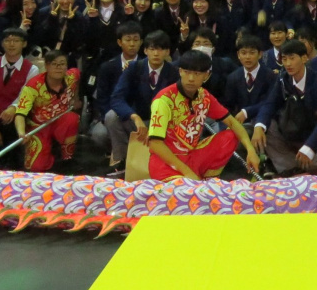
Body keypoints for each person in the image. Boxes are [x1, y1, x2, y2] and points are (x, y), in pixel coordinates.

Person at [145, 49, 260, 181]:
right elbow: (154, 143)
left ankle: (208, 178)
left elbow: (233, 123)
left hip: (192, 156)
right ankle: (196, 180)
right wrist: (187, 172)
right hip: (166, 163)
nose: (191, 78)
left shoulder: (204, 96)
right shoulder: (164, 99)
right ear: (180, 71)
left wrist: (251, 150)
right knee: (187, 193)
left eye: (197, 73)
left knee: (231, 135)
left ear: (207, 75)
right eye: (187, 72)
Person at [252, 39, 317, 176]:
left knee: (313, 159)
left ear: (304, 58)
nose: (288, 64)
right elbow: (269, 104)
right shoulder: (283, 79)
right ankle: (295, 170)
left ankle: (292, 168)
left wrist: (310, 147)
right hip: (292, 131)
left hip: (316, 133)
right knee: (264, 127)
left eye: (292, 58)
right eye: (284, 59)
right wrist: (259, 127)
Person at [105, 30, 178, 173]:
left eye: (160, 49)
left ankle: (164, 162)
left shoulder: (174, 72)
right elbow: (116, 98)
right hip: (138, 122)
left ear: (167, 52)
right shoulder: (134, 67)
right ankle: (124, 160)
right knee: (111, 116)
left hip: (163, 124)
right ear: (145, 50)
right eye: (152, 49)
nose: (156, 53)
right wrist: (134, 116)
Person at [0, 27, 40, 168]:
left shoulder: (32, 69)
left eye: (16, 41)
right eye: (8, 40)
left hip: (16, 121)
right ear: (2, 44)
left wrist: (14, 108)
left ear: (24, 44)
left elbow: (25, 96)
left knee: (15, 163)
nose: (12, 44)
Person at [14, 50, 80, 172]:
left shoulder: (72, 76)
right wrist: (21, 132)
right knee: (35, 167)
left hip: (61, 120)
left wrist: (76, 99)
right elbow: (20, 113)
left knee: (72, 118)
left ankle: (68, 158)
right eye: (54, 64)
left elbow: (77, 81)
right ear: (47, 66)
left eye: (62, 64)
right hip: (38, 126)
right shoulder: (33, 86)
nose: (58, 68)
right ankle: (50, 153)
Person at [88, 21, 143, 156]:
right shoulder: (107, 67)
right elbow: (102, 98)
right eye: (128, 40)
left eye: (135, 40)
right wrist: (111, 118)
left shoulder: (147, 64)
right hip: (114, 115)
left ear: (141, 42)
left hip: (140, 116)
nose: (132, 44)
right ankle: (119, 157)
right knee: (99, 134)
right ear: (119, 42)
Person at [223, 35, 277, 123]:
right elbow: (229, 106)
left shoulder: (270, 76)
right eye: (243, 53)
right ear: (238, 55)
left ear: (260, 54)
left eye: (252, 53)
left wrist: (247, 112)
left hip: (264, 121)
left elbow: (270, 102)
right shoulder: (233, 77)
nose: (247, 57)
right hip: (239, 123)